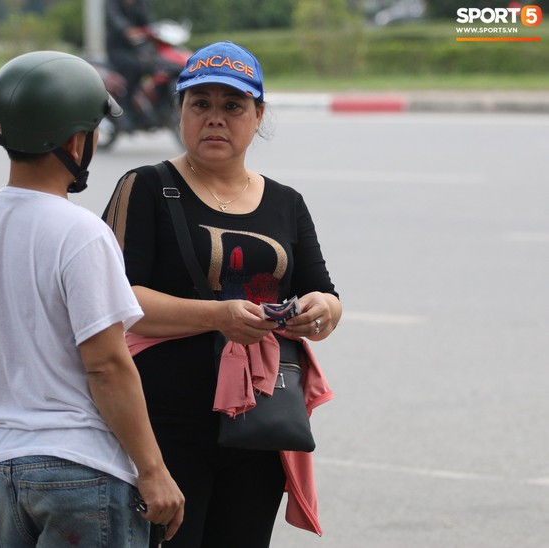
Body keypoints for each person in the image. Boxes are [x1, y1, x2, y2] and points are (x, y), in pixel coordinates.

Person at [102, 41, 342, 547]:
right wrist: (218, 316)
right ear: (181, 113)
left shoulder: (285, 202)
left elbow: (323, 291)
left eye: (232, 106)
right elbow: (116, 301)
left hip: (259, 421)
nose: (216, 118)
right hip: (161, 423)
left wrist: (321, 310)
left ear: (258, 116)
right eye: (201, 104)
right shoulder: (146, 186)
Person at [0, 51, 184, 547]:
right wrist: (154, 471)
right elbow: (107, 366)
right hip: (83, 472)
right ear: (77, 140)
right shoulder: (81, 232)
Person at [105, 0, 155, 129]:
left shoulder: (140, 3)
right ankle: (125, 109)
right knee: (132, 68)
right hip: (117, 48)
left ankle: (148, 106)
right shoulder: (112, 3)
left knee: (152, 65)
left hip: (137, 47)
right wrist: (127, 30)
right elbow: (115, 19)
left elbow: (147, 21)